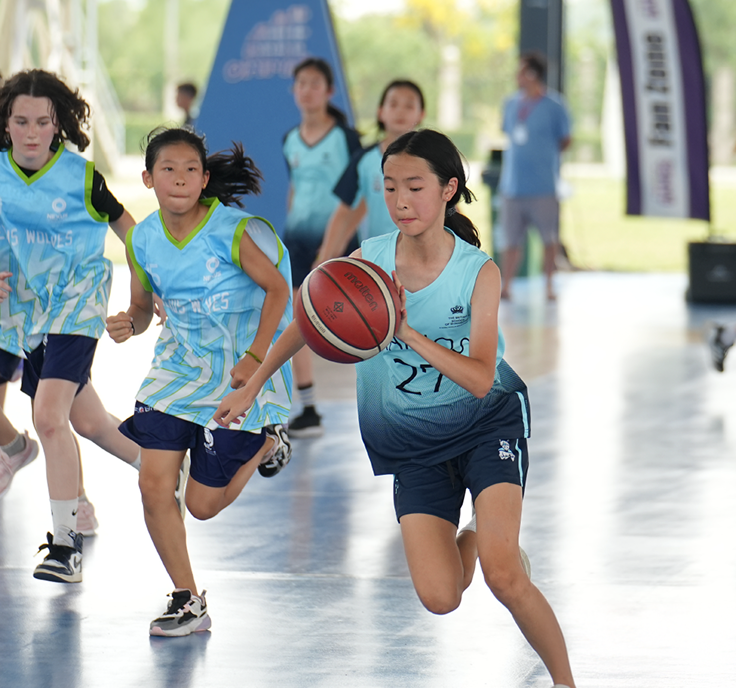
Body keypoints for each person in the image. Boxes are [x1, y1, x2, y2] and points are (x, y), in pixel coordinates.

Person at [214, 129, 576, 688]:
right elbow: (308, 319)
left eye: (414, 186)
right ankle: (482, 530)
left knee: (503, 577)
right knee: (441, 597)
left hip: (488, 423)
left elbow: (481, 377)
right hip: (412, 441)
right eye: (389, 188)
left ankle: (565, 680)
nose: (400, 201)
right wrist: (253, 384)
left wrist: (403, 331)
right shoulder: (369, 262)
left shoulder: (478, 271)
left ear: (448, 189)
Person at [106, 127, 293, 637]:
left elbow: (278, 290)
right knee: (153, 484)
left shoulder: (232, 231)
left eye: (191, 169)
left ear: (205, 179)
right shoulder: (142, 239)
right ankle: (188, 598)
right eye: (168, 169)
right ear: (148, 178)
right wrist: (129, 323)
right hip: (177, 369)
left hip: (239, 371)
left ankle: (268, 442)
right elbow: (142, 307)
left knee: (202, 506)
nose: (180, 178)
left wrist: (256, 357)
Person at [0, 69, 144, 582]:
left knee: (48, 416)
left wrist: (148, 291)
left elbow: (132, 233)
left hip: (77, 304)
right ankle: (168, 468)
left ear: (57, 123)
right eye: (21, 121)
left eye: (42, 121)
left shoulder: (81, 177)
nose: (32, 132)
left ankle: (65, 546)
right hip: (25, 312)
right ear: (7, 123)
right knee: (89, 422)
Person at [282, 57, 362, 437]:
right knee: (297, 318)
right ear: (293, 91)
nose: (307, 90)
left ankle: (391, 403)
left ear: (329, 91)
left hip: (341, 243)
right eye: (302, 83)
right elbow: (295, 187)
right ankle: (309, 407)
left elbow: (358, 197)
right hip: (297, 241)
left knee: (365, 324)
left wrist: (336, 246)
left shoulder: (347, 138)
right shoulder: (289, 140)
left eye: (316, 83)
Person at [316, 79, 425, 263]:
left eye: (409, 106)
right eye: (393, 104)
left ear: (421, 114)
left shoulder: (432, 161)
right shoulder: (364, 160)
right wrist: (324, 259)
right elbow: (344, 213)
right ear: (381, 112)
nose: (400, 111)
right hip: (376, 264)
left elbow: (449, 208)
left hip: (422, 261)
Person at [498, 50, 571, 302]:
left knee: (549, 239)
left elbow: (565, 139)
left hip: (543, 187)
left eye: (521, 71)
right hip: (512, 186)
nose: (516, 76)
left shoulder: (555, 106)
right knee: (510, 240)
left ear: (532, 74)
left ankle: (549, 285)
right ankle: (506, 285)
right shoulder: (510, 104)